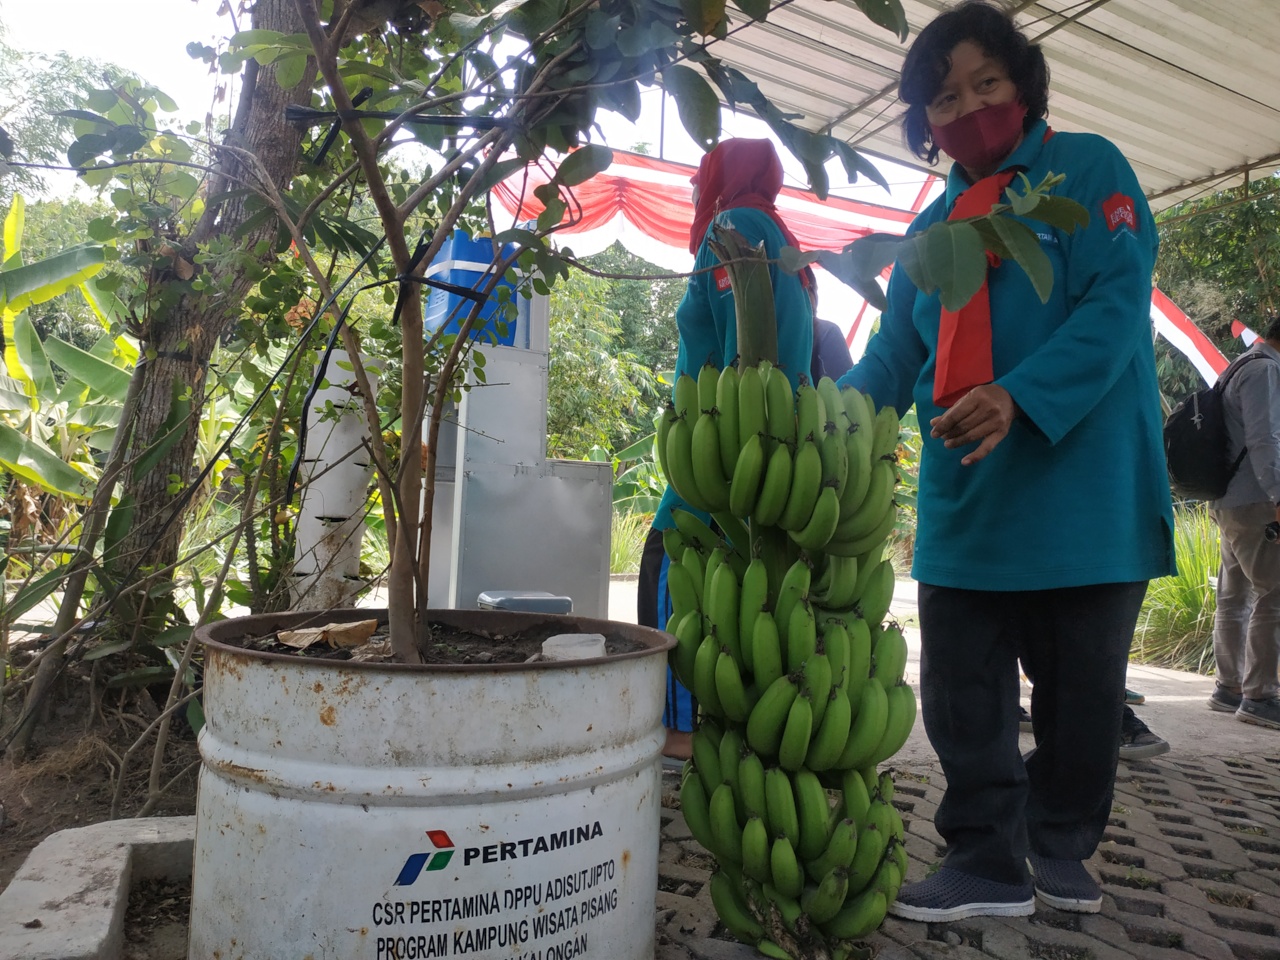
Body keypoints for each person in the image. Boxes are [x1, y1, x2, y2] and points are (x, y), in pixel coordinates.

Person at [837, 1, 1174, 921]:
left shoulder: (1086, 171)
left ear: (1024, 86)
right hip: (969, 497)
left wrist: (1020, 394)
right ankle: (984, 858)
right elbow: (894, 356)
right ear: (924, 123)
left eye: (987, 83)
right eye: (945, 97)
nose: (969, 107)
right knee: (960, 690)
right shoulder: (935, 229)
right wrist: (825, 417)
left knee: (1081, 696)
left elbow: (1115, 304)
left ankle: (1059, 845)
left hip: (1083, 491)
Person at [637, 138, 814, 761]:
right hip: (774, 427)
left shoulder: (732, 224)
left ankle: (679, 726)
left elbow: (740, 322)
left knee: (669, 555)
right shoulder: (783, 239)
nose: (693, 192)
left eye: (698, 179)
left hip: (725, 430)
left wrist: (722, 415)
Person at [1208, 316, 1280, 730]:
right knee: (1274, 593)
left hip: (1229, 499)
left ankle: (1229, 687)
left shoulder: (1240, 364)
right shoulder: (1266, 371)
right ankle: (1261, 696)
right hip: (1256, 501)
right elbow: (1265, 438)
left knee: (1235, 597)